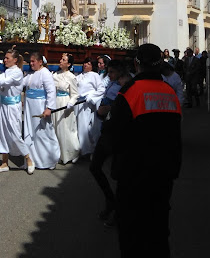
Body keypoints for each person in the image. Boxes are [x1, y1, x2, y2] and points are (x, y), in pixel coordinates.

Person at [107, 43, 182, 257]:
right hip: (163, 174)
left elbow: (115, 134)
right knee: (158, 231)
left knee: (132, 234)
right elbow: (176, 136)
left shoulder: (129, 91)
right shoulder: (169, 92)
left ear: (136, 64)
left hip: (134, 174)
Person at [90, 59, 131, 226]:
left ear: (121, 72)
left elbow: (125, 106)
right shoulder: (112, 83)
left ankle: (120, 210)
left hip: (119, 133)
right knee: (95, 167)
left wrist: (110, 108)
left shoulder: (127, 85)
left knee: (120, 174)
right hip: (107, 129)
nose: (109, 75)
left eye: (112, 72)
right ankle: (110, 199)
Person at [0, 49, 34, 174]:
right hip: (3, 105)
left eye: (8, 58)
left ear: (15, 60)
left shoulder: (17, 73)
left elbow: (3, 81)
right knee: (2, 132)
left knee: (14, 133)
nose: (5, 60)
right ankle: (4, 163)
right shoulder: (6, 71)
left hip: (13, 106)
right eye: (5, 58)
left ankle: (28, 158)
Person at [23, 52, 60, 170]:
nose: (31, 63)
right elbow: (22, 84)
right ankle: (33, 159)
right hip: (30, 106)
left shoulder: (45, 73)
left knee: (43, 133)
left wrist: (49, 108)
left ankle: (49, 159)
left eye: (34, 61)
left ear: (40, 62)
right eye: (30, 61)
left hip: (40, 106)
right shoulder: (31, 74)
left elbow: (51, 91)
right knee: (31, 131)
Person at [52, 53, 80, 164]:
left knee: (66, 129)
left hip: (65, 104)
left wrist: (71, 102)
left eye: (63, 60)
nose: (60, 61)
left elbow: (75, 94)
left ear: (68, 64)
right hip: (56, 102)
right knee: (56, 128)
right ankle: (58, 153)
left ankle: (72, 152)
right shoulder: (55, 75)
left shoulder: (71, 77)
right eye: (61, 59)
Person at [75, 57, 105, 157]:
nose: (85, 65)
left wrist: (91, 96)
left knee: (86, 127)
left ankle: (90, 149)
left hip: (87, 104)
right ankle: (81, 149)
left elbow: (101, 89)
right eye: (84, 63)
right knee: (78, 126)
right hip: (78, 103)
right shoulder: (80, 76)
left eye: (88, 63)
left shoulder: (94, 75)